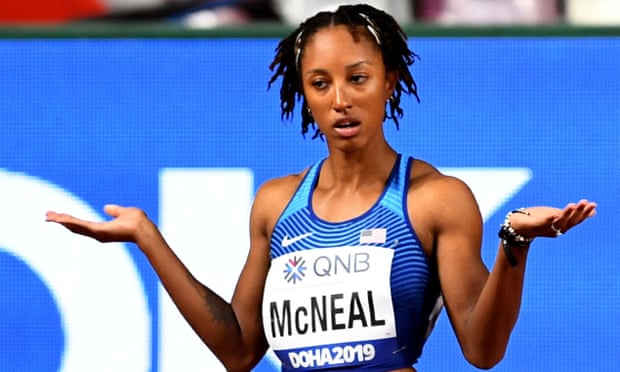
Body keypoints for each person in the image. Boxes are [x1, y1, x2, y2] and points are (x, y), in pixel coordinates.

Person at [45, 4, 597, 371]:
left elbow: (483, 348)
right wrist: (147, 237)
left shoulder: (434, 199)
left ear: (391, 82)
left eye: (358, 78)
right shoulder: (277, 205)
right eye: (320, 83)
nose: (340, 99)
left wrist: (513, 243)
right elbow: (238, 350)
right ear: (303, 94)